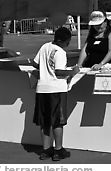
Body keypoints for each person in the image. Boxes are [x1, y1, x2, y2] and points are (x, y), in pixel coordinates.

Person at [29, 27, 79, 161]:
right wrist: (72, 72)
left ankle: (45, 150)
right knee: (57, 122)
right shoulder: (61, 53)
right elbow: (58, 72)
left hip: (42, 88)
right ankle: (58, 149)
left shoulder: (45, 46)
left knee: (44, 121)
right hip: (56, 89)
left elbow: (35, 63)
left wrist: (45, 69)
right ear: (65, 41)